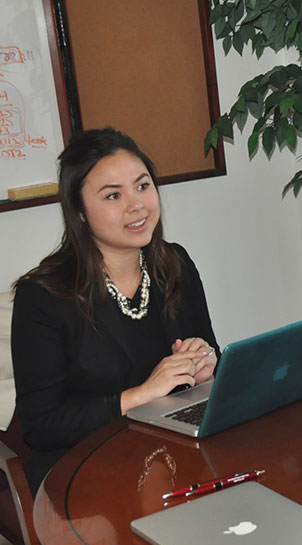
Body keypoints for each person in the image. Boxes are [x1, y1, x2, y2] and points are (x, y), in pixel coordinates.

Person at [10, 128, 219, 493]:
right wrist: (142, 394)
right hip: (84, 473)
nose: (136, 205)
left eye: (142, 186)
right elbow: (42, 426)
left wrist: (206, 367)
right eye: (113, 195)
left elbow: (211, 353)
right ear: (79, 212)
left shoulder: (175, 264)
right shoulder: (43, 296)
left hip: (170, 450)